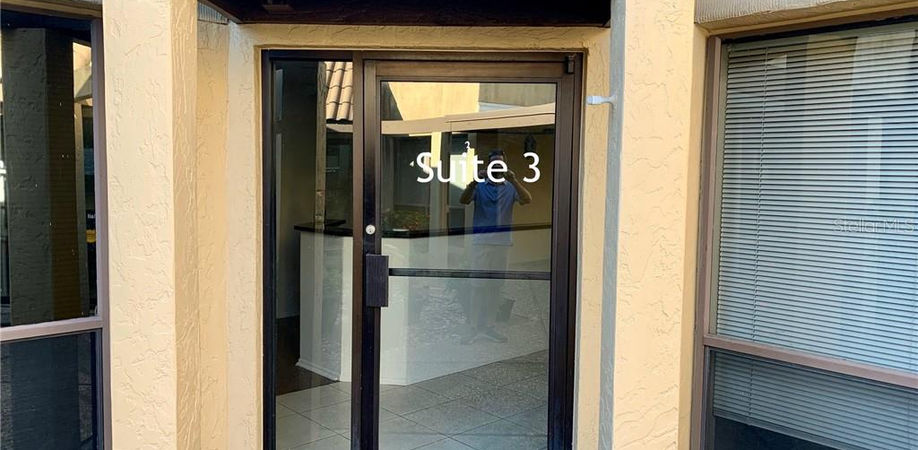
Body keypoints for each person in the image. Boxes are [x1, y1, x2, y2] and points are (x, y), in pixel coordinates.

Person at [458, 149, 532, 344]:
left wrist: (514, 179)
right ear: (489, 166)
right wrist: (474, 181)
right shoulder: (480, 186)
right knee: (477, 286)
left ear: (505, 166)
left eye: (500, 164)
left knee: (496, 287)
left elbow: (527, 199)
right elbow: (463, 200)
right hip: (481, 243)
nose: (497, 168)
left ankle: (489, 326)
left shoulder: (510, 187)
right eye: (494, 164)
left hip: (502, 243)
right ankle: (474, 327)